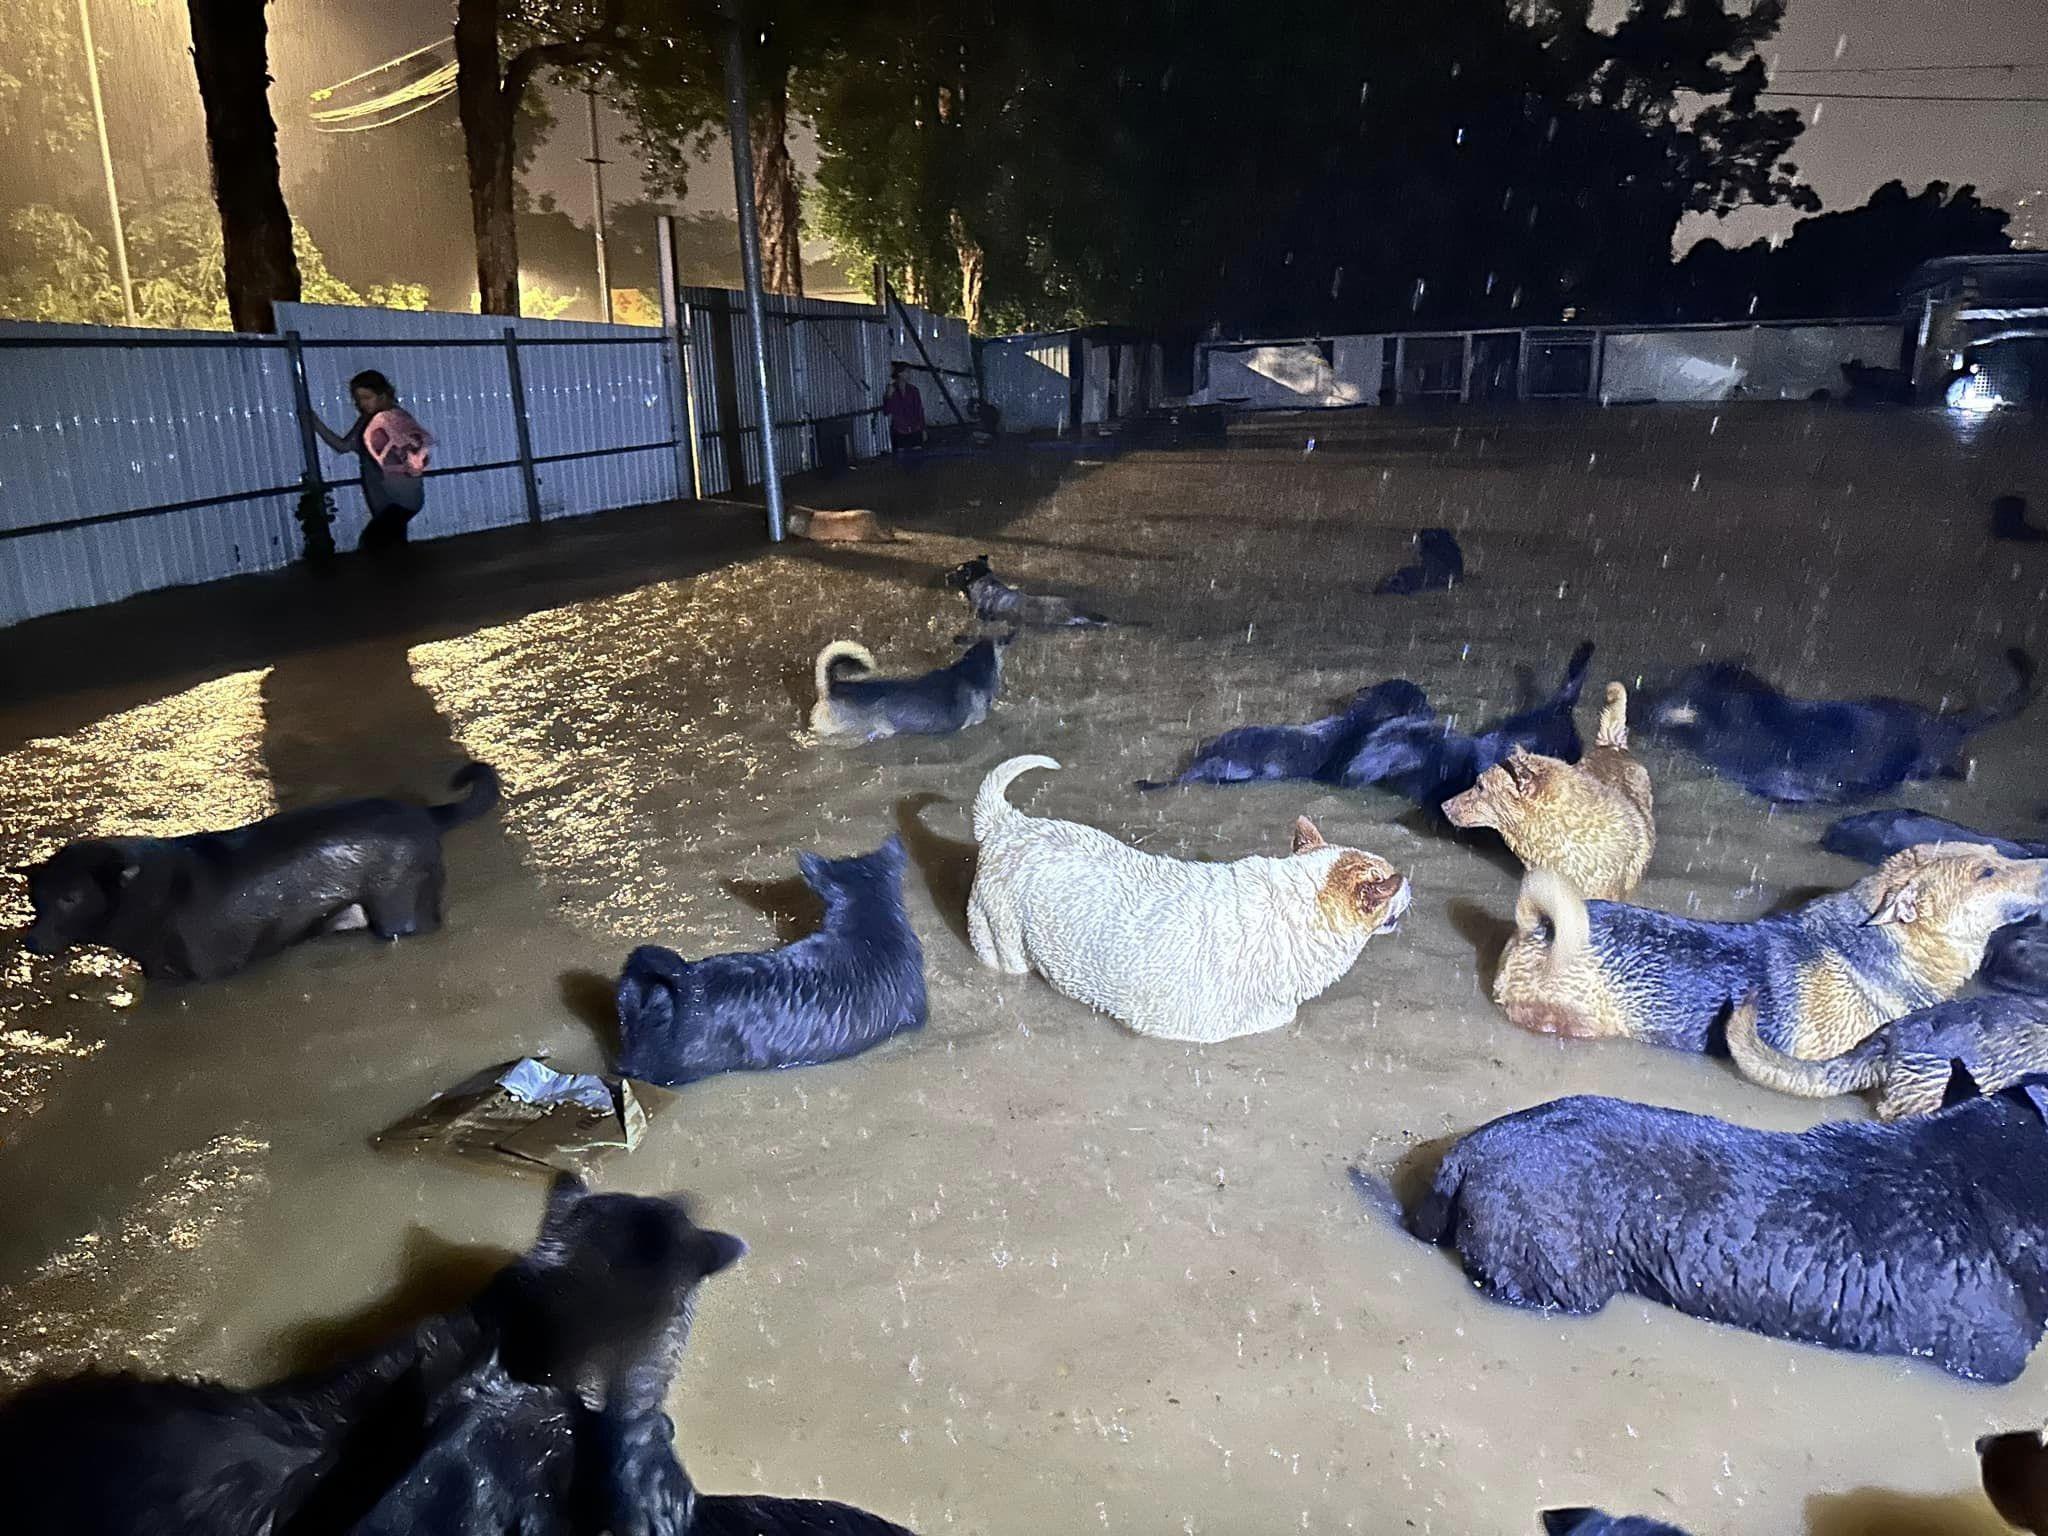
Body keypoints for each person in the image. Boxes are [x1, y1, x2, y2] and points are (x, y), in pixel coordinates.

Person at [311, 369, 433, 553]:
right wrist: (315, 423)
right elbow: (343, 446)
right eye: (359, 399)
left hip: (400, 495)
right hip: (380, 493)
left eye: (366, 398)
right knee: (392, 543)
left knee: (374, 542)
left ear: (382, 395)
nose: (361, 404)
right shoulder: (367, 421)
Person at [881, 362, 926, 461]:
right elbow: (887, 411)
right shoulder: (892, 390)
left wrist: (922, 429)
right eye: (907, 372)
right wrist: (888, 396)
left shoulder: (914, 390)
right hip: (899, 429)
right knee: (901, 460)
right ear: (900, 373)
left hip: (915, 428)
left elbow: (919, 410)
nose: (910, 374)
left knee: (918, 459)